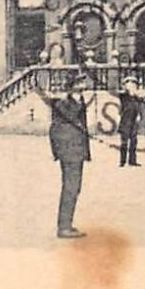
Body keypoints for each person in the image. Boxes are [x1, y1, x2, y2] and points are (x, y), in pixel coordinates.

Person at [48, 75, 93, 238]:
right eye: (80, 84)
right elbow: (57, 128)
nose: (84, 87)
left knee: (74, 188)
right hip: (70, 153)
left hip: (76, 152)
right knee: (70, 188)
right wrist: (59, 152)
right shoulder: (65, 104)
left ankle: (66, 224)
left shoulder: (77, 103)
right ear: (73, 87)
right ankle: (64, 227)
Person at [116, 77, 142, 166]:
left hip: (134, 121)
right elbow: (119, 94)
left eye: (134, 85)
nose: (132, 86)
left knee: (134, 141)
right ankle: (122, 161)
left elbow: (139, 107)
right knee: (124, 142)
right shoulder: (124, 96)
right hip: (125, 121)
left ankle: (132, 161)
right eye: (130, 84)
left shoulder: (136, 98)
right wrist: (127, 90)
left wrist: (139, 115)